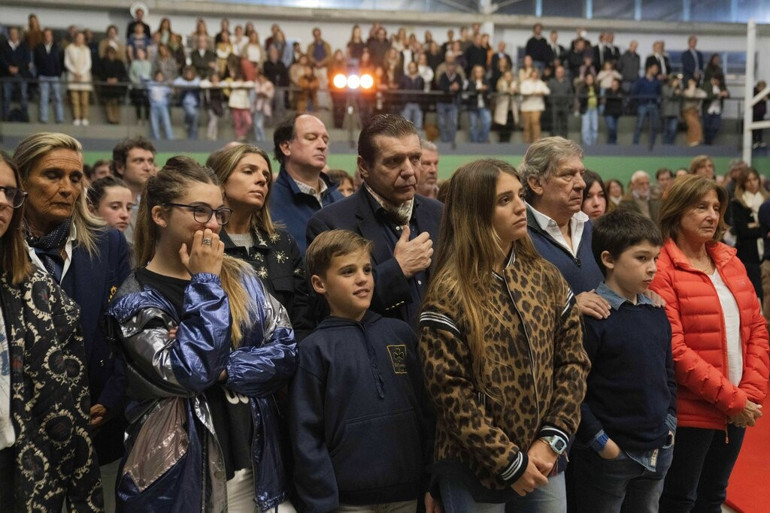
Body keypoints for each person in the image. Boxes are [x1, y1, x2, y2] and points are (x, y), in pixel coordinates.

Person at [106, 156, 297, 512]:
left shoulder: (241, 277)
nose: (212, 224)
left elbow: (285, 351)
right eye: (199, 211)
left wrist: (225, 370)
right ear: (160, 215)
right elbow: (189, 372)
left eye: (218, 213)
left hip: (258, 475)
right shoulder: (136, 298)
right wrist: (206, 281)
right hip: (182, 484)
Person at [419, 158, 590, 513]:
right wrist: (511, 462)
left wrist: (552, 440)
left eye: (520, 195)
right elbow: (451, 395)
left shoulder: (546, 277)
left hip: (545, 460)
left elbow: (573, 361)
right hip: (475, 467)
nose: (520, 207)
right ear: (475, 213)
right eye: (504, 200)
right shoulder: (449, 291)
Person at [16, 133, 132, 512]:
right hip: (21, 429)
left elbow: (124, 329)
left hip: (98, 421)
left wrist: (113, 398)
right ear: (21, 181)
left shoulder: (108, 243)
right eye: (52, 175)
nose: (67, 188)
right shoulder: (8, 247)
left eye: (75, 177)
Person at [289, 229, 434, 513]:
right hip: (346, 501)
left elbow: (428, 414)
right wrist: (321, 503)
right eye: (347, 272)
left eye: (367, 269)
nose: (362, 279)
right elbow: (306, 437)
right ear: (320, 284)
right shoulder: (314, 350)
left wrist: (431, 481)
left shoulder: (401, 334)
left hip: (407, 491)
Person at [651, 175, 769, 512]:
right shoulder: (662, 269)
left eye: (716, 208)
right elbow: (674, 349)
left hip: (737, 405)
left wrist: (749, 393)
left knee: (714, 496)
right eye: (701, 207)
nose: (712, 216)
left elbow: (757, 328)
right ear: (676, 211)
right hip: (692, 411)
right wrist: (732, 399)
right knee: (679, 499)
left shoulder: (730, 262)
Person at [0, 150, 103, 511]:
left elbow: (65, 387)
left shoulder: (30, 280)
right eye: (52, 175)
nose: (1, 200)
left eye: (8, 193)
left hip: (24, 455)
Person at [573, 209, 676, 513]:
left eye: (656, 259)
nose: (653, 268)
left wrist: (670, 421)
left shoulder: (656, 311)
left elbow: (668, 373)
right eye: (642, 258)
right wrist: (600, 441)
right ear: (608, 259)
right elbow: (573, 388)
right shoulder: (594, 317)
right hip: (610, 453)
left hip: (658, 446)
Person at [307, 114, 442, 327]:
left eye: (415, 158)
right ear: (363, 167)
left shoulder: (439, 214)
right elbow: (329, 310)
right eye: (394, 161)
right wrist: (397, 270)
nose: (409, 171)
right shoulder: (330, 224)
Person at [207, 143, 311, 339]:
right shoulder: (205, 242)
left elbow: (302, 319)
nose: (262, 180)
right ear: (221, 181)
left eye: (266, 176)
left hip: (284, 359)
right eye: (249, 171)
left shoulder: (282, 243)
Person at [521, 137, 606, 314]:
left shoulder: (593, 229)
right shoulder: (517, 236)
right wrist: (568, 305)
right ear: (536, 183)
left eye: (581, 174)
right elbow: (510, 307)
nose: (581, 184)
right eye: (568, 175)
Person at [270, 113, 342, 253]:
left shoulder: (340, 200)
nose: (322, 146)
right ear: (286, 147)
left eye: (325, 140)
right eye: (311, 138)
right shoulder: (267, 204)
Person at [729, 167, 768, 300]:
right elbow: (743, 231)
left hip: (765, 251)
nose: (752, 183)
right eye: (748, 180)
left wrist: (754, 226)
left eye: (754, 179)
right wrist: (763, 229)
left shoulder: (766, 200)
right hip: (748, 253)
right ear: (742, 183)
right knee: (754, 291)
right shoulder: (738, 203)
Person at [111, 136, 156, 244]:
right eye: (139, 161)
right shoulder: (106, 202)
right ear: (120, 167)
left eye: (150, 161)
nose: (147, 167)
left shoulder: (156, 202)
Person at [34, 27, 65, 124]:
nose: (47, 37)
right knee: (43, 98)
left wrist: (58, 73)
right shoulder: (38, 48)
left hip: (55, 76)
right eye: (45, 35)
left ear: (52, 36)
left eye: (49, 35)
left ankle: (60, 118)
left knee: (57, 98)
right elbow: (36, 62)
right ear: (43, 36)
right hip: (43, 75)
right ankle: (43, 118)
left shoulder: (58, 48)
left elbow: (61, 62)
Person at [0, 27, 31, 123]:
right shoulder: (3, 46)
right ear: (9, 34)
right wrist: (8, 67)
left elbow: (27, 59)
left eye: (15, 33)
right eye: (11, 33)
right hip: (7, 75)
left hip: (21, 75)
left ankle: (25, 118)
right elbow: (1, 59)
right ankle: (5, 118)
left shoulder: (24, 46)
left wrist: (18, 68)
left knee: (23, 96)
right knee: (6, 96)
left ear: (18, 35)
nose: (13, 35)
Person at [64, 31, 93, 126]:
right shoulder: (69, 48)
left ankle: (84, 118)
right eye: (78, 37)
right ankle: (76, 118)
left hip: (84, 76)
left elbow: (88, 63)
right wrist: (75, 72)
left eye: (82, 38)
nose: (80, 39)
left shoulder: (86, 49)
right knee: (74, 99)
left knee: (84, 100)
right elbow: (67, 62)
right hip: (73, 76)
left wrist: (81, 73)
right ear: (75, 38)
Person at [632, 63, 661, 148]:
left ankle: (652, 145)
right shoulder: (640, 81)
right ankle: (635, 144)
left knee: (654, 126)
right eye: (654, 68)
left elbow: (659, 93)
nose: (656, 71)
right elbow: (635, 92)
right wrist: (639, 102)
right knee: (639, 125)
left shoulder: (657, 82)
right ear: (649, 69)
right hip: (643, 105)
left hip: (654, 104)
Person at [520, 68, 550, 144]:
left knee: (535, 123)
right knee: (527, 125)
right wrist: (532, 92)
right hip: (526, 107)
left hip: (537, 107)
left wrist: (541, 92)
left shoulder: (540, 83)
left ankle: (537, 143)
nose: (534, 76)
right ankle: (526, 143)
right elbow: (522, 91)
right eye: (533, 74)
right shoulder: (525, 83)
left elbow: (547, 91)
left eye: (536, 74)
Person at [100, 45, 128, 124]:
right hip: (107, 86)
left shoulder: (119, 62)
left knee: (116, 102)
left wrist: (116, 79)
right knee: (108, 102)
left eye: (112, 53)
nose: (111, 55)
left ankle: (116, 118)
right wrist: (107, 79)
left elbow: (123, 73)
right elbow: (100, 72)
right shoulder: (103, 62)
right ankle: (111, 118)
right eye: (109, 53)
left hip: (117, 87)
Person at [173, 65, 202, 139]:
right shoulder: (181, 80)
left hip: (195, 103)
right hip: (186, 102)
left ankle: (192, 140)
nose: (189, 74)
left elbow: (202, 84)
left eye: (190, 73)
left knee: (194, 122)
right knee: (192, 114)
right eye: (187, 73)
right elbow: (174, 83)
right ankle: (187, 121)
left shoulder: (197, 80)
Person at [467, 64, 492, 143]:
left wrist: (485, 89)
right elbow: (470, 92)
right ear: (474, 73)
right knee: (473, 126)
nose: (479, 73)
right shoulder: (471, 82)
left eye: (480, 71)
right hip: (473, 106)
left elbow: (490, 91)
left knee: (487, 122)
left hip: (484, 106)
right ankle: (475, 143)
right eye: (477, 71)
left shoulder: (486, 81)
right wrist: (479, 90)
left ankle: (482, 141)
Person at [702, 73, 729, 145]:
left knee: (716, 127)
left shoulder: (721, 85)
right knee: (707, 127)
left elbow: (727, 93)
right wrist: (718, 94)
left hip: (717, 110)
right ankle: (707, 143)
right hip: (708, 109)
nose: (718, 83)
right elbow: (706, 96)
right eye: (717, 81)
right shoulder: (706, 85)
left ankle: (709, 142)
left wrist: (726, 94)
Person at [147, 70, 174, 140]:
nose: (159, 78)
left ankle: (170, 139)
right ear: (155, 77)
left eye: (161, 76)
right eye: (158, 76)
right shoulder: (151, 84)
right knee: (154, 124)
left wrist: (170, 84)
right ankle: (156, 139)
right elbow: (143, 80)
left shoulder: (165, 85)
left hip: (163, 106)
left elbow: (172, 91)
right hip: (153, 106)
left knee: (166, 122)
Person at [682, 78, 707, 147]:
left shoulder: (698, 91)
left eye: (693, 82)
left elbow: (704, 95)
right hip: (687, 111)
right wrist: (692, 87)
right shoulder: (686, 91)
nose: (692, 84)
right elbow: (690, 95)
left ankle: (694, 142)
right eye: (690, 82)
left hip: (695, 112)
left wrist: (695, 92)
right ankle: (692, 141)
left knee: (696, 126)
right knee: (694, 125)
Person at [576, 73, 599, 146]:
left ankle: (593, 145)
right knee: (586, 128)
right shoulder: (582, 88)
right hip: (586, 109)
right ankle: (587, 145)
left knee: (594, 128)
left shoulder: (596, 88)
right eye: (588, 79)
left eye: (591, 79)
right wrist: (587, 96)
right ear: (586, 80)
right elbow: (580, 99)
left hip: (594, 109)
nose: (589, 80)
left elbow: (600, 98)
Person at [662, 75, 682, 145]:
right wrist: (673, 87)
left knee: (673, 130)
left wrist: (679, 89)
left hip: (675, 113)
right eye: (675, 81)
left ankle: (671, 146)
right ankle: (665, 146)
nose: (676, 82)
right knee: (666, 131)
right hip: (667, 112)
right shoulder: (665, 87)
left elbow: (681, 96)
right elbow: (669, 94)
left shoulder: (678, 89)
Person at [603, 78, 623, 144]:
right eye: (613, 84)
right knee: (611, 128)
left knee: (614, 129)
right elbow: (606, 99)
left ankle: (612, 142)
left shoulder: (621, 91)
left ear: (618, 85)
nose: (614, 86)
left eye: (615, 84)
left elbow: (623, 97)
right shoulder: (607, 91)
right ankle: (611, 142)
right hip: (608, 112)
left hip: (616, 113)